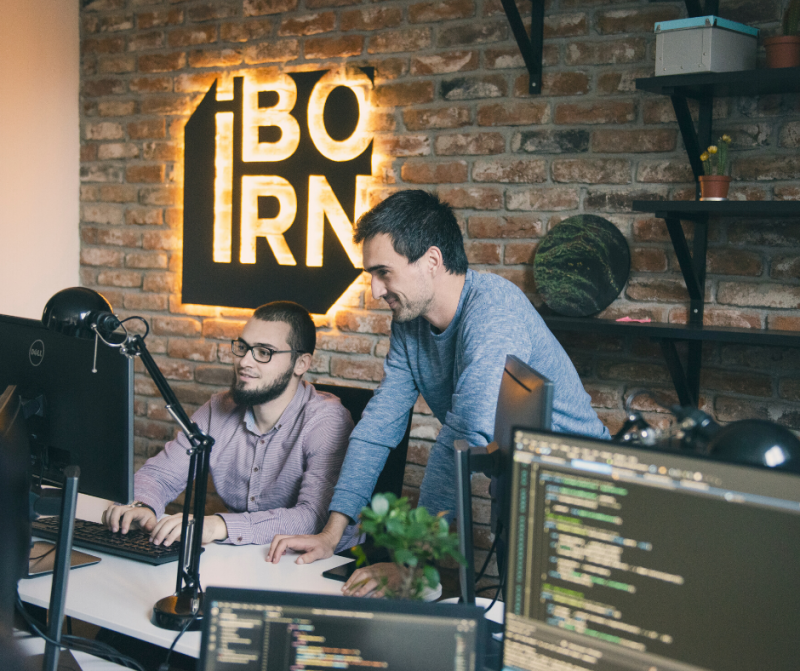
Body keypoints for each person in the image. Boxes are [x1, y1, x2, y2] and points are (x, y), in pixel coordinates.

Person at [267, 190, 609, 593]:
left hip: (583, 490)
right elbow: (379, 425)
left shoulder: (493, 312)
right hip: (517, 483)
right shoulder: (409, 323)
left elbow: (461, 437)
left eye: (384, 272)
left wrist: (410, 564)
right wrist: (332, 532)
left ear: (431, 261)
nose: (376, 290)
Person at [103, 301, 358, 550]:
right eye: (243, 347)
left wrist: (218, 526)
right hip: (248, 557)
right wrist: (143, 505)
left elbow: (313, 517)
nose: (244, 362)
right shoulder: (219, 408)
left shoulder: (326, 420)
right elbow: (162, 475)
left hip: (322, 566)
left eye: (263, 352)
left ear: (301, 364)